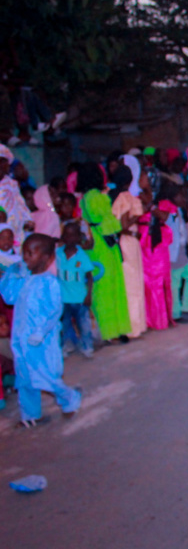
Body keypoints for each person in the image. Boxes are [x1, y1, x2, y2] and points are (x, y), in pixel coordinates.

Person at [1, 233, 82, 427]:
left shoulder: (49, 282)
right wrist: (11, 274)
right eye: (24, 253)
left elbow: (54, 311)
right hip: (20, 338)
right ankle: (30, 415)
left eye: (31, 253)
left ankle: (70, 398)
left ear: (45, 258)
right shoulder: (23, 278)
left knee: (46, 377)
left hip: (41, 341)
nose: (26, 257)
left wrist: (40, 331)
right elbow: (8, 297)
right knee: (25, 379)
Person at [77, 162, 131, 343]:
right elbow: (106, 220)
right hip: (105, 243)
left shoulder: (84, 198)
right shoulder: (96, 197)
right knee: (112, 287)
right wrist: (115, 230)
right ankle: (113, 331)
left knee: (103, 289)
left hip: (97, 245)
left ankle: (111, 330)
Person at [111, 164, 148, 338]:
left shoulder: (117, 197)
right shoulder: (127, 199)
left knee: (131, 282)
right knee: (133, 283)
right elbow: (124, 225)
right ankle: (135, 326)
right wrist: (139, 215)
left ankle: (134, 325)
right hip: (129, 239)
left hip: (129, 241)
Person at [56, 222, 98, 358]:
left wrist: (88, 296)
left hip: (80, 298)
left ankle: (87, 347)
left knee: (84, 325)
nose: (70, 239)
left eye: (73, 235)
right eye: (67, 235)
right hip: (63, 298)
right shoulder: (58, 254)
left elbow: (89, 277)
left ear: (78, 238)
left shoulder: (82, 256)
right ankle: (65, 346)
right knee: (64, 325)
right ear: (63, 237)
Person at [165, 185, 188, 323]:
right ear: (173, 197)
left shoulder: (178, 210)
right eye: (182, 196)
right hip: (174, 251)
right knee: (179, 281)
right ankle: (178, 311)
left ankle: (183, 309)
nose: (185, 198)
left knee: (187, 278)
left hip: (179, 250)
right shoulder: (170, 211)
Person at [141, 201, 175, 331]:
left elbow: (165, 216)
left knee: (162, 282)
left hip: (159, 244)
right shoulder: (137, 198)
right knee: (148, 283)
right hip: (145, 243)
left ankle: (163, 318)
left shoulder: (162, 201)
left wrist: (152, 207)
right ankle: (151, 319)